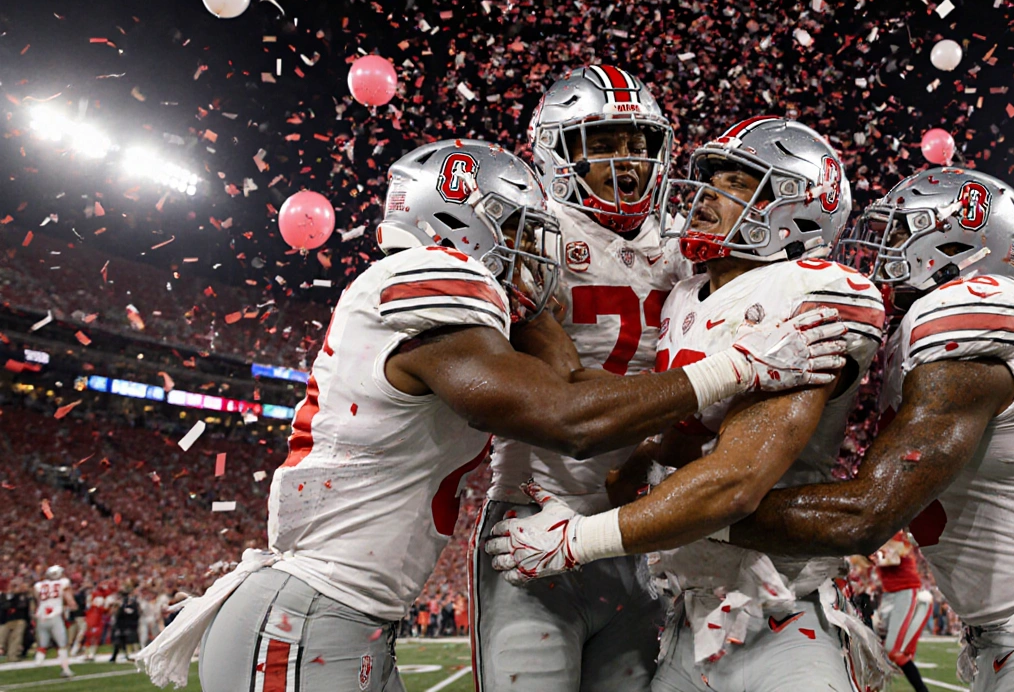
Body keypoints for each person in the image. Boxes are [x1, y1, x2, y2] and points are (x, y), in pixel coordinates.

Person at [137, 139, 843, 692]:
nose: (528, 247)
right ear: (457, 220)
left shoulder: (434, 291)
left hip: (344, 614)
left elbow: (565, 378)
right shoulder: (427, 278)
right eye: (512, 226)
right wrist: (736, 367)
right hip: (312, 608)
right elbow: (568, 415)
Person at [714, 167, 1014, 691]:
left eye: (901, 232)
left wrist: (691, 512)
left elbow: (866, 514)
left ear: (954, 242)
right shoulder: (930, 336)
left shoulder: (970, 313)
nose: (884, 251)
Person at [488, 118, 894, 692]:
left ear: (793, 209)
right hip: (686, 615)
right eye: (708, 180)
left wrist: (579, 539)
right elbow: (681, 431)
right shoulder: (685, 294)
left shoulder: (808, 291)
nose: (703, 197)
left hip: (781, 610)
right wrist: (646, 457)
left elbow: (735, 483)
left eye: (735, 184)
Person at [473, 65, 691, 691]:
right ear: (557, 155)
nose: (627, 160)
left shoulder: (684, 246)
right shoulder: (526, 236)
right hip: (534, 513)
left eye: (638, 142)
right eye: (602, 143)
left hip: (638, 525)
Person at [872, 531, 932, 692]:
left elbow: (890, 559)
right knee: (877, 647)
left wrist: (864, 554)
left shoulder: (893, 534)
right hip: (889, 593)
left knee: (892, 649)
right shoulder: (878, 536)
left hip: (904, 591)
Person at [33, 566, 75, 677]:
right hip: (55, 616)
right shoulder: (63, 583)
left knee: (42, 645)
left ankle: (37, 666)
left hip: (41, 617)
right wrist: (72, 605)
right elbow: (69, 599)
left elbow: (38, 600)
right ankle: (65, 669)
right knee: (62, 645)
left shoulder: (39, 585)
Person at [0, 577, 30, 662]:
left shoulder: (22, 596)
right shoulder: (4, 596)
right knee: (3, 639)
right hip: (6, 620)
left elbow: (22, 606)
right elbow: (3, 606)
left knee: (16, 639)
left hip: (19, 619)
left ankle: (12, 656)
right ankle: (9, 655)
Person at [109, 586, 141, 662]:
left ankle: (126, 655)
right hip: (122, 624)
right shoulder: (121, 604)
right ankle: (117, 655)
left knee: (127, 640)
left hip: (128, 624)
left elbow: (134, 613)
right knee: (120, 641)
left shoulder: (132, 604)